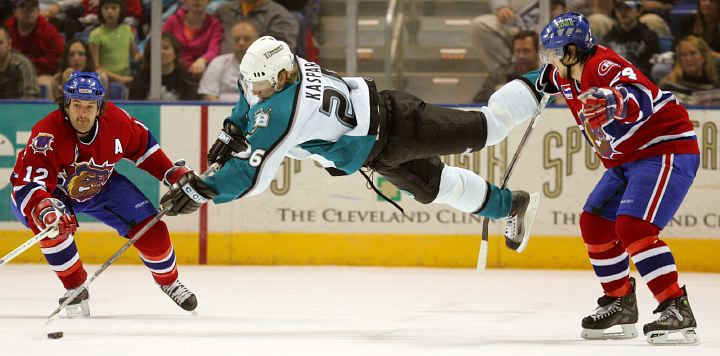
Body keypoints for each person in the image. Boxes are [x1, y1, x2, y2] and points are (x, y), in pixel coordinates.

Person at [160, 36, 545, 258]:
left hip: (400, 124)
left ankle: (546, 77)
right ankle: (511, 205)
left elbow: (252, 174)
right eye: (251, 82)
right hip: (377, 153)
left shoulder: (285, 110)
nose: (253, 90)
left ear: (279, 78)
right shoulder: (284, 67)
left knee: (490, 127)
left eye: (260, 84)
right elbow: (251, 98)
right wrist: (233, 128)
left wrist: (205, 188)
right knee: (437, 187)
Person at [527, 12, 699, 344]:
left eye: (554, 52)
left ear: (573, 51)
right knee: (594, 222)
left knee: (634, 227)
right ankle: (620, 301)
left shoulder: (602, 66)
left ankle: (676, 307)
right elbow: (542, 79)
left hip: (664, 149)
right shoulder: (564, 73)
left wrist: (614, 101)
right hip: (628, 159)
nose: (549, 59)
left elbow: (640, 96)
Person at [9, 72, 198, 317]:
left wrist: (173, 174)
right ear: (65, 105)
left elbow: (145, 149)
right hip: (52, 192)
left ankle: (169, 281)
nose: (83, 113)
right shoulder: (47, 134)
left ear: (100, 107)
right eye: (77, 105)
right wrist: (43, 208)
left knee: (154, 231)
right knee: (52, 226)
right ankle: (75, 287)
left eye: (90, 106)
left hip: (100, 186)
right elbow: (28, 183)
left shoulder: (118, 122)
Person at [4, 0, 64, 97]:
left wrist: (29, 67)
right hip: (9, 75)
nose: (28, 11)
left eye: (32, 7)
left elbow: (57, 58)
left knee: (47, 84)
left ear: (38, 11)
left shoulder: (49, 31)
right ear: (15, 12)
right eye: (23, 6)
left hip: (41, 75)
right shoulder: (6, 29)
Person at [199, 19, 259, 101]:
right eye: (236, 39)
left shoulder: (266, 65)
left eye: (246, 39)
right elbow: (209, 96)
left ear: (257, 42)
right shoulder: (218, 63)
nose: (241, 43)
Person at [473, 30, 540, 103]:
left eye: (526, 51)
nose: (521, 56)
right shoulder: (500, 75)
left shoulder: (547, 76)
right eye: (518, 51)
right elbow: (478, 102)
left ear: (538, 51)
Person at [129, 33, 200, 101]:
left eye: (166, 48)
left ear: (176, 53)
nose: (161, 52)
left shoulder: (187, 80)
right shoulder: (140, 80)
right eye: (156, 48)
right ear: (149, 54)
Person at [162, 0, 223, 77]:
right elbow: (163, 43)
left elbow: (214, 49)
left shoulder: (214, 23)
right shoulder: (173, 20)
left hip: (201, 70)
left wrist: (203, 60)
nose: (197, 1)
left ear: (208, 1)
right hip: (174, 68)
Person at [214, 0, 299, 54]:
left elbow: (282, 54)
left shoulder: (281, 17)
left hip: (259, 75)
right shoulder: (224, 10)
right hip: (220, 72)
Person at [89, 0, 141, 86]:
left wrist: (142, 55)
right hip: (104, 81)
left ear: (121, 10)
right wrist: (119, 79)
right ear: (100, 11)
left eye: (114, 8)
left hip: (127, 78)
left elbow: (135, 55)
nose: (109, 11)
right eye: (106, 8)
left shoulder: (127, 30)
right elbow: (96, 66)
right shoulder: (95, 34)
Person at [603, 0, 659, 78]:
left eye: (628, 8)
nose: (623, 12)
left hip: (637, 81)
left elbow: (648, 68)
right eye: (619, 8)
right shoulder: (609, 37)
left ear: (638, 11)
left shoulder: (649, 37)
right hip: (612, 80)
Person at [659, 35, 720, 105]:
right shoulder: (668, 88)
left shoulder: (716, 87)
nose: (688, 58)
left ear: (704, 57)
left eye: (693, 53)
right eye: (684, 55)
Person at [0, 24, 38, 98]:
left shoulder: (23, 65)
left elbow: (30, 99)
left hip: (17, 109)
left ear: (9, 44)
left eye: (0, 42)